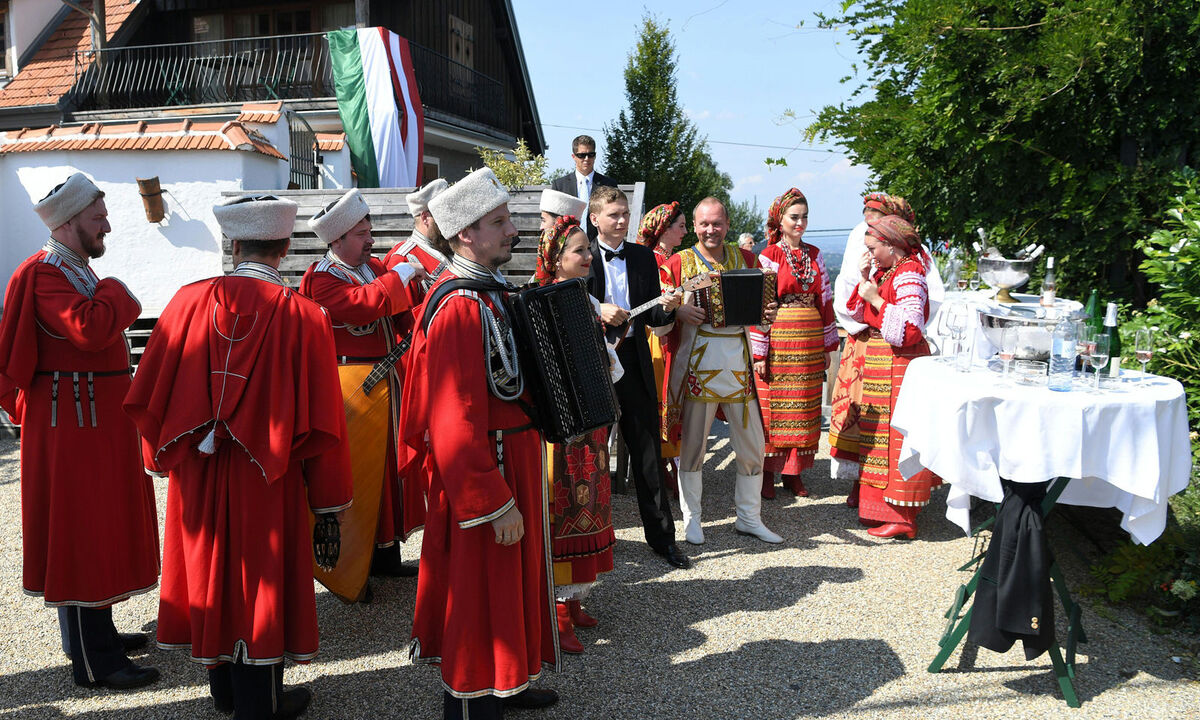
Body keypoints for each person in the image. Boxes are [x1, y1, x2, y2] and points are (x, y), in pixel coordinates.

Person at [125, 195, 353, 719]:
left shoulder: (184, 302)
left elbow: (150, 394)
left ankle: (225, 693)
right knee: (260, 579)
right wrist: (328, 501)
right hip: (266, 476)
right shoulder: (305, 316)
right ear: (286, 246)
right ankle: (261, 702)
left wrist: (158, 457)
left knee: (210, 572)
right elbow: (324, 423)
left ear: (233, 243)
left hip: (198, 472)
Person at [398, 168, 559, 720]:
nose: (513, 230)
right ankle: (472, 702)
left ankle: (508, 680)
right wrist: (492, 500)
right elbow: (452, 420)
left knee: (510, 584)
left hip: (511, 456)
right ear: (465, 233)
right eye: (499, 222)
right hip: (486, 470)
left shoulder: (490, 294)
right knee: (477, 593)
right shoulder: (459, 308)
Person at [0, 173, 160, 691]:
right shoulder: (46, 274)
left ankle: (97, 635)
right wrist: (118, 290)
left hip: (88, 419)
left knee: (94, 527)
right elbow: (90, 328)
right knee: (84, 530)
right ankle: (96, 662)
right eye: (98, 218)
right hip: (72, 422)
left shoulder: (74, 270)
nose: (108, 225)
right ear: (69, 225)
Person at [299, 189, 427, 593]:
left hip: (387, 383)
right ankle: (354, 565)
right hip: (352, 388)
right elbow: (360, 305)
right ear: (337, 240)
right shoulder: (321, 277)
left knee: (388, 472)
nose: (370, 239)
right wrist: (400, 279)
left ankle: (386, 555)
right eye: (361, 233)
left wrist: (419, 289)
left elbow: (397, 309)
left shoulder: (372, 266)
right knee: (358, 476)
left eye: (369, 230)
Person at [659, 197, 781, 545]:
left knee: (753, 445)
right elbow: (661, 312)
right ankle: (692, 519)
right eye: (703, 224)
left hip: (739, 364)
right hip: (698, 361)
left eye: (717, 223)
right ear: (694, 227)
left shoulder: (746, 259)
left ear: (727, 224)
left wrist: (767, 314)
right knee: (694, 446)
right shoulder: (678, 264)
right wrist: (677, 313)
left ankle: (749, 517)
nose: (710, 230)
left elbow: (761, 308)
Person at [587, 186, 690, 569]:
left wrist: (669, 308)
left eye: (625, 213)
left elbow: (653, 319)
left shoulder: (644, 257)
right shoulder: (581, 256)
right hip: (593, 361)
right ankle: (594, 537)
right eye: (613, 214)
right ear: (595, 218)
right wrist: (600, 312)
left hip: (632, 358)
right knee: (592, 453)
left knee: (648, 452)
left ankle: (663, 539)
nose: (622, 220)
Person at [533, 215, 621, 655]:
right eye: (579, 251)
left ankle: (575, 598)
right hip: (565, 432)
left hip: (590, 426)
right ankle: (556, 612)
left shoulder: (583, 298)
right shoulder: (546, 299)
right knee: (563, 510)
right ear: (556, 259)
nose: (588, 256)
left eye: (588, 250)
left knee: (591, 504)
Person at [827, 214, 942, 539]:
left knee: (898, 440)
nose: (870, 254)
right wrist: (866, 279)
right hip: (883, 366)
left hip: (901, 368)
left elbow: (909, 329)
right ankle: (881, 510)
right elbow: (858, 313)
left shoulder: (910, 275)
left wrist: (876, 297)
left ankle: (904, 518)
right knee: (878, 441)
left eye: (873, 248)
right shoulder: (889, 270)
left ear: (892, 246)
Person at [753, 189, 839, 499]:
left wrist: (829, 345)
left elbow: (825, 300)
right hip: (779, 339)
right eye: (794, 217)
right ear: (780, 220)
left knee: (803, 406)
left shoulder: (814, 255)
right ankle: (766, 474)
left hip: (809, 341)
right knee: (772, 408)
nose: (800, 223)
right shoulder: (770, 255)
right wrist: (759, 352)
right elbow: (762, 305)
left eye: (804, 217)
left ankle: (793, 474)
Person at [635, 201, 688, 493]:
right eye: (680, 225)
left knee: (673, 396)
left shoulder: (673, 258)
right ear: (664, 229)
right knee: (662, 395)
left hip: (672, 333)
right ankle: (663, 461)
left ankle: (672, 460)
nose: (685, 231)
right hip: (657, 337)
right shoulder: (652, 261)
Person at [384, 178, 452, 303]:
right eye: (443, 214)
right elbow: (405, 319)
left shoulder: (449, 247)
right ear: (425, 217)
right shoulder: (402, 258)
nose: (449, 219)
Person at [551, 134, 617, 239]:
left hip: (600, 244)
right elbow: (553, 219)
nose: (586, 159)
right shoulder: (560, 185)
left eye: (590, 154)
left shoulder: (609, 185)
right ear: (574, 157)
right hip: (568, 244)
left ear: (595, 156)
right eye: (582, 155)